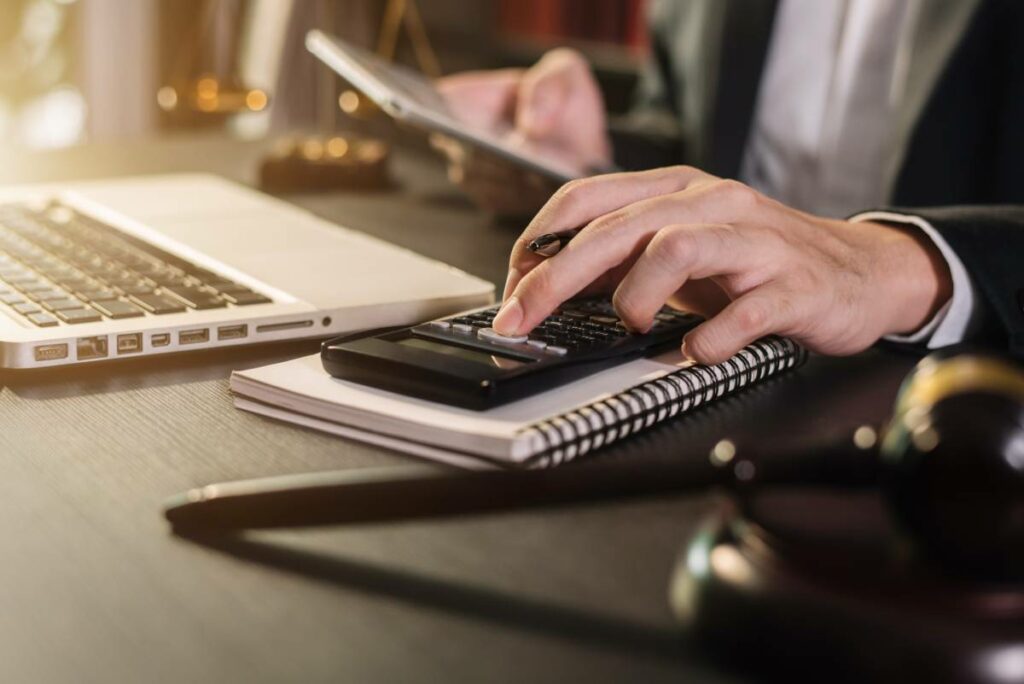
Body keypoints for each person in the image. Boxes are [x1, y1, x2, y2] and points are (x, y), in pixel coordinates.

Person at [434, 0, 1024, 364]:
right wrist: (589, 152)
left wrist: (894, 264)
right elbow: (686, 130)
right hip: (720, 362)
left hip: (964, 400)